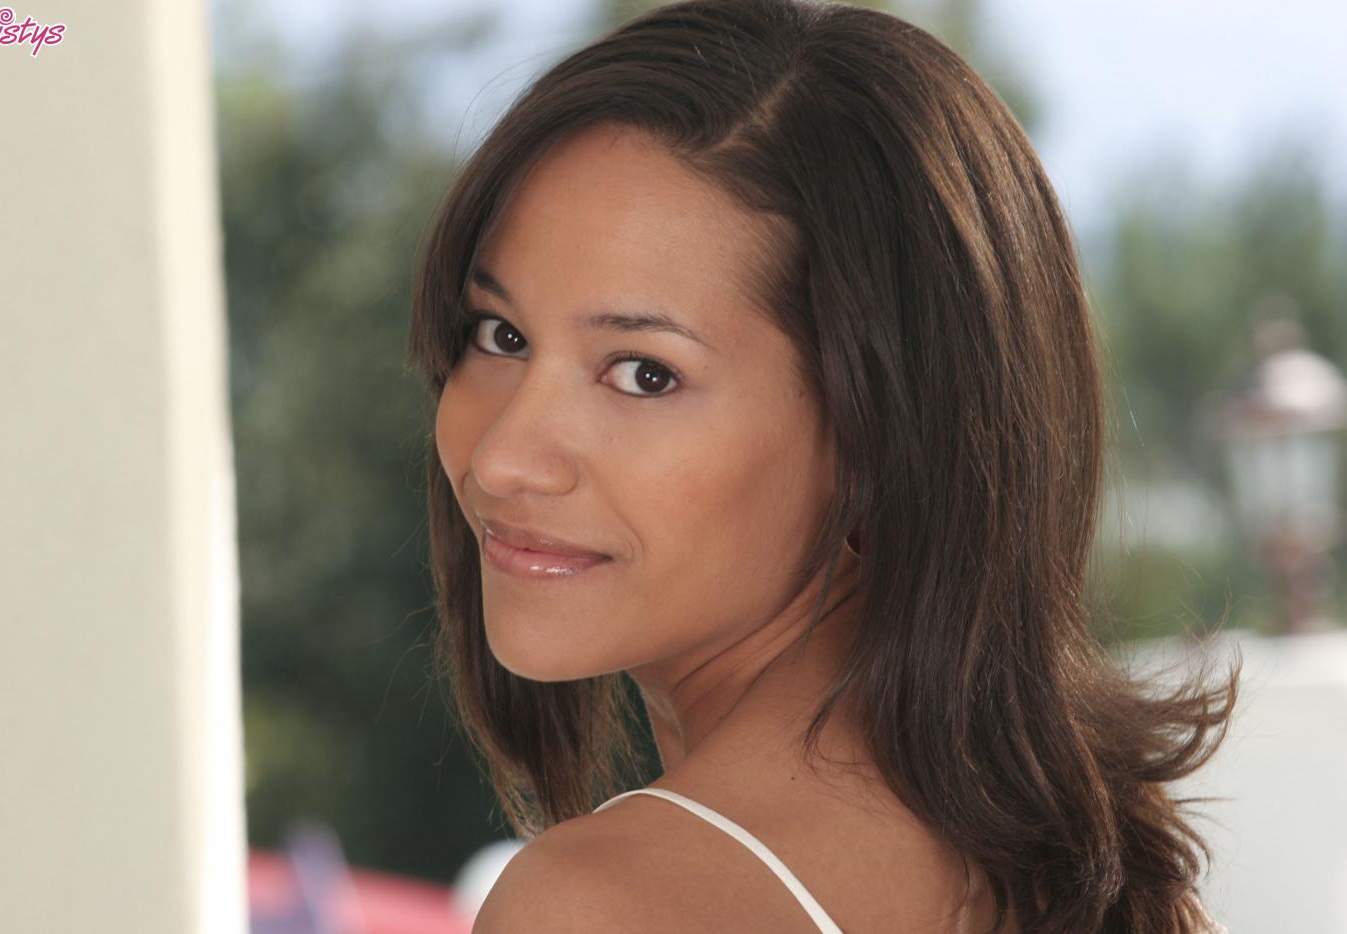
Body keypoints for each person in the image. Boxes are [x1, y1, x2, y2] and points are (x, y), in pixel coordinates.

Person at [406, 1, 1239, 930]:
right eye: (501, 334)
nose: (504, 459)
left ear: (877, 431)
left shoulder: (605, 905)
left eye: (644, 374)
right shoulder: (1081, 859)